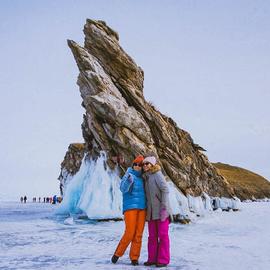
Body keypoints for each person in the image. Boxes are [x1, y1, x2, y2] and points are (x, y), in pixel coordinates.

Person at [112, 155, 146, 266]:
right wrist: (128, 181)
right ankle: (117, 254)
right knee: (130, 232)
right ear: (133, 165)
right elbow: (123, 189)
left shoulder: (144, 178)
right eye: (135, 164)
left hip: (142, 208)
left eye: (140, 165)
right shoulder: (129, 175)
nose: (137, 166)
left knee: (138, 234)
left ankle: (134, 258)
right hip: (130, 207)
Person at [142, 156, 172, 268]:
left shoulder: (157, 174)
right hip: (151, 213)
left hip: (161, 212)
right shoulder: (146, 177)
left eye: (147, 163)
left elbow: (165, 189)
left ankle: (163, 260)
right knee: (152, 236)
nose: (145, 165)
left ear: (152, 165)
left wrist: (164, 208)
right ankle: (152, 259)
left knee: (163, 236)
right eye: (143, 164)